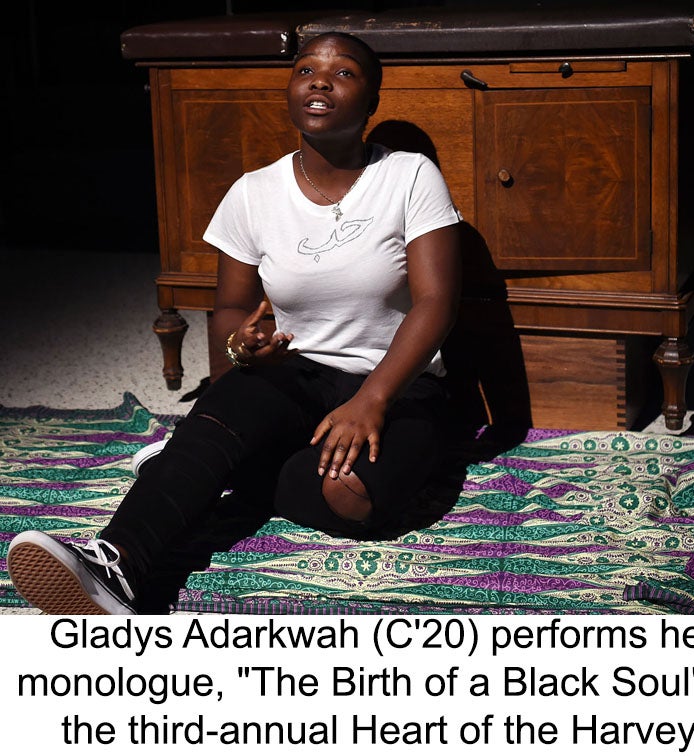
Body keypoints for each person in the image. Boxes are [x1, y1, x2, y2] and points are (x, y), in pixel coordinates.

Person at [6, 32, 462, 615]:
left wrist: (372, 399)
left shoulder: (409, 175)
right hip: (296, 374)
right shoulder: (254, 192)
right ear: (292, 90)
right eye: (305, 71)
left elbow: (436, 302)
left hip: (398, 387)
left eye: (343, 73)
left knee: (348, 496)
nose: (319, 81)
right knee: (233, 414)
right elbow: (229, 309)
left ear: (372, 101)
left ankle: (196, 465)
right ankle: (114, 566)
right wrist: (242, 351)